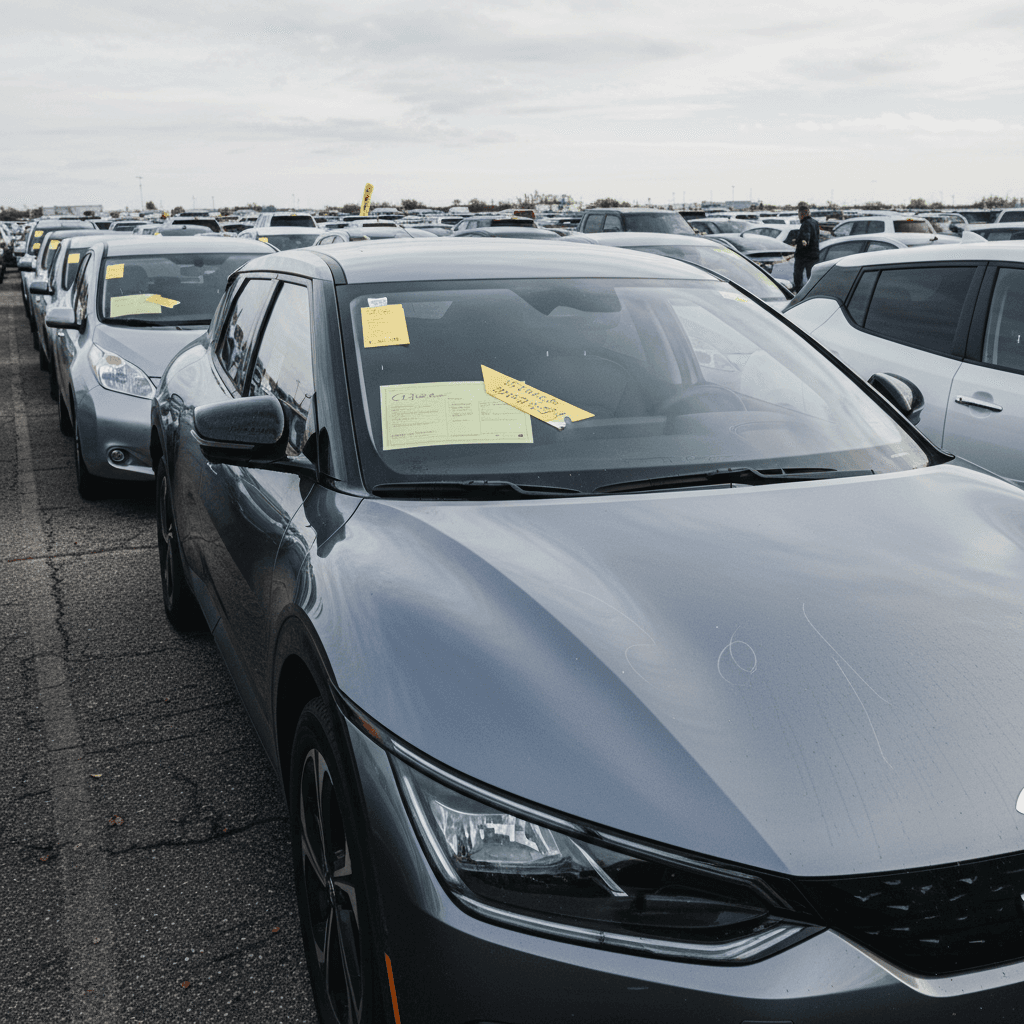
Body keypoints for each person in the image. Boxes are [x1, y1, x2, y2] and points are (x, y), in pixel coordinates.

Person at [793, 202, 820, 291]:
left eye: (798, 214)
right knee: (811, 277)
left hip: (804, 256)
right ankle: (813, 292)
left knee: (798, 275)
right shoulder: (815, 222)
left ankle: (798, 292)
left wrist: (802, 242)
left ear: (802, 214)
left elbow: (806, 238)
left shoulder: (805, 224)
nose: (798, 216)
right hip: (814, 255)